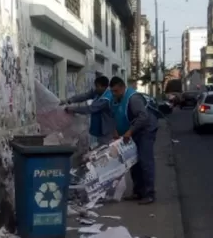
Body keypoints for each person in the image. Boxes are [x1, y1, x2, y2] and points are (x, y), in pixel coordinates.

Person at [109, 76, 159, 205]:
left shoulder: (133, 98)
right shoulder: (118, 99)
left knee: (145, 161)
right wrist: (116, 130)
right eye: (112, 91)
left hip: (146, 130)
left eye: (116, 91)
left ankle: (149, 194)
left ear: (122, 87)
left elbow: (143, 117)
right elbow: (117, 115)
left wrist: (130, 131)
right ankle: (138, 192)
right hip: (134, 131)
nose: (114, 94)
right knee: (133, 161)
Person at [62, 76, 116, 146]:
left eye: (97, 86)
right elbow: (85, 96)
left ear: (104, 87)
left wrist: (73, 109)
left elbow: (90, 109)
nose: (96, 88)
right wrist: (69, 100)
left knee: (104, 148)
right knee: (96, 146)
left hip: (106, 130)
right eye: (95, 86)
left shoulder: (106, 98)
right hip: (97, 127)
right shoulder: (98, 92)